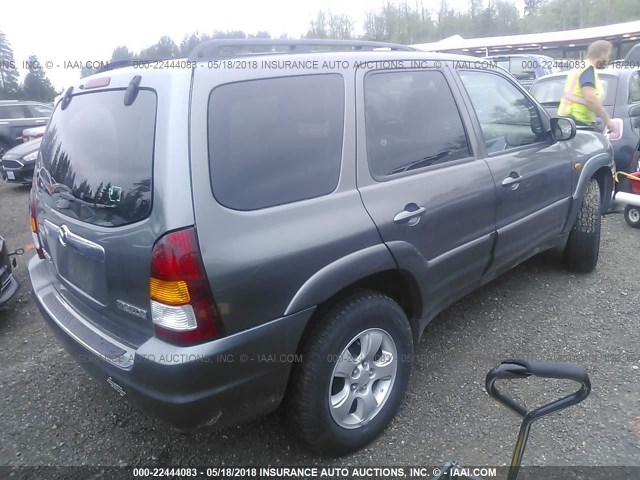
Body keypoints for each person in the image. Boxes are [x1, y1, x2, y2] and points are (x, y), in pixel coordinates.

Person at [558, 40, 615, 132]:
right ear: (602, 54)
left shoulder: (580, 66)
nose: (608, 59)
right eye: (608, 55)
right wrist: (607, 119)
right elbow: (590, 97)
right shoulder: (588, 69)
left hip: (569, 119)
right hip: (578, 121)